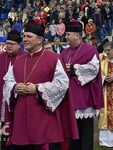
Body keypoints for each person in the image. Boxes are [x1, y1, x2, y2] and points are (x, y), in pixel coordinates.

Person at [2, 21, 78, 150]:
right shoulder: (18, 61)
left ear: (40, 40)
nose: (25, 39)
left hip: (44, 119)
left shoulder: (54, 59)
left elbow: (62, 85)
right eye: (24, 36)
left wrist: (37, 89)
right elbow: (7, 82)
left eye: (29, 36)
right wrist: (15, 87)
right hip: (22, 120)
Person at [61, 20, 104, 150]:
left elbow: (93, 69)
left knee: (84, 132)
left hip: (83, 97)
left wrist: (73, 69)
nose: (66, 37)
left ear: (77, 35)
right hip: (68, 97)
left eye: (68, 34)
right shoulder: (64, 52)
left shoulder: (90, 50)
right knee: (70, 132)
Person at [0, 29, 25, 150]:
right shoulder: (1, 58)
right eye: (7, 43)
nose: (8, 46)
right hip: (2, 100)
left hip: (18, 100)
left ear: (19, 45)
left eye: (12, 44)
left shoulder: (25, 57)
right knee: (5, 130)